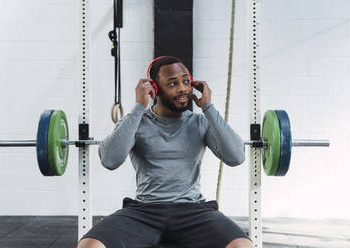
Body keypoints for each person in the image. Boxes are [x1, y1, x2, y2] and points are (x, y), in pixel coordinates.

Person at [77, 56, 253, 248]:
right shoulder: (137, 121)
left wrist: (208, 107)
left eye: (186, 81)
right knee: (90, 245)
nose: (183, 88)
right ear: (154, 89)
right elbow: (110, 160)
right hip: (144, 212)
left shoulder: (199, 122)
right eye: (172, 83)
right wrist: (138, 107)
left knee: (242, 246)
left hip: (193, 212)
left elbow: (236, 157)